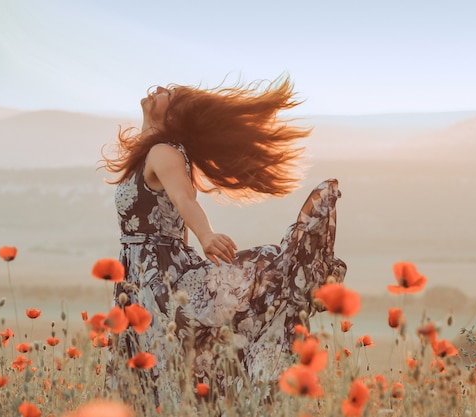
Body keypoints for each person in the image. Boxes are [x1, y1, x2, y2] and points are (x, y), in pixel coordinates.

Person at [100, 75, 346, 409]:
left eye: (167, 94)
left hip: (155, 276)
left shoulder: (164, 153)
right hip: (138, 276)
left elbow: (186, 201)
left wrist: (206, 235)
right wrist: (149, 120)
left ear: (172, 117)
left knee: (160, 368)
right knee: (153, 369)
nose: (157, 89)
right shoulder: (152, 150)